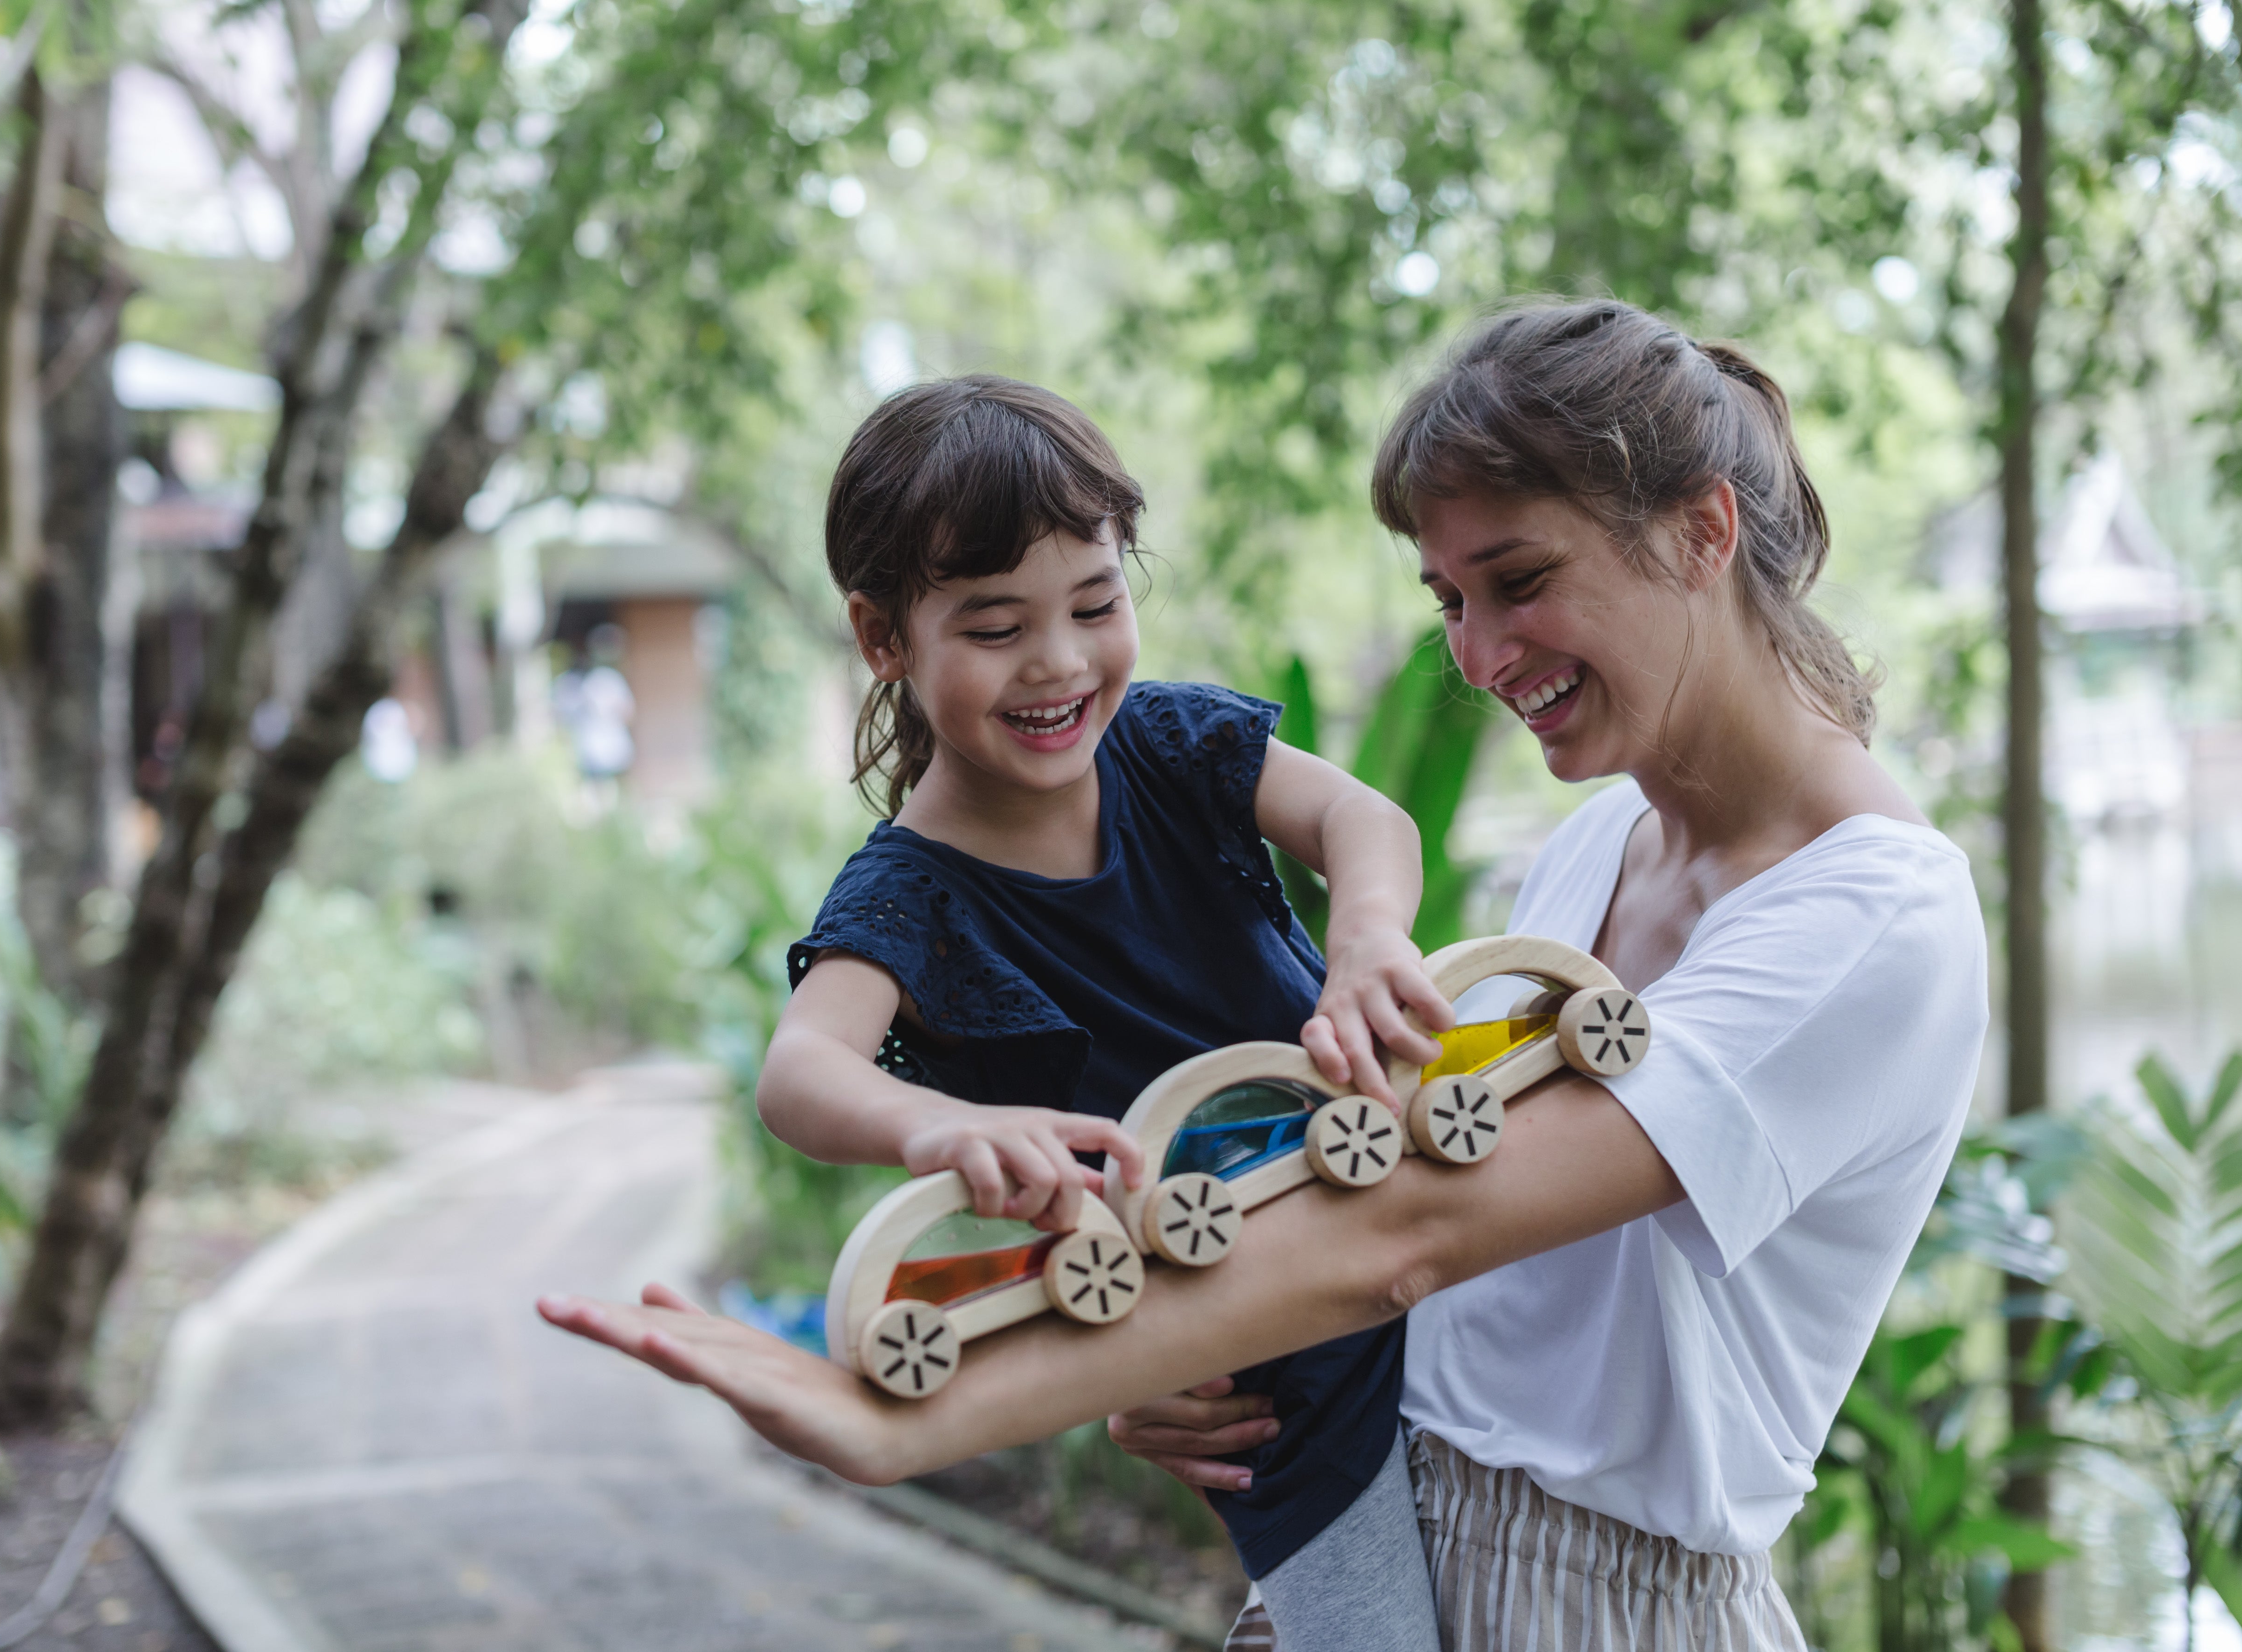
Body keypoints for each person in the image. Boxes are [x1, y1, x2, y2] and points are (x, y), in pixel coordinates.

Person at [541, 303, 1989, 1651]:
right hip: (1371, 1507)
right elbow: (1404, 1230)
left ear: (1702, 532)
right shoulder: (1600, 839)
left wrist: (930, 1416)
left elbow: (1406, 1238)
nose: (1475, 659)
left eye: (1520, 584)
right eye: (1447, 601)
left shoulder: (1867, 915)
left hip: (1594, 1598)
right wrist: (1169, 1344)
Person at [759, 375, 1457, 1652]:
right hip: (1271, 1381)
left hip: (1430, 1229)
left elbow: (1366, 819)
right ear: (882, 639)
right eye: (992, 626)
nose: (1060, 662)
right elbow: (802, 1072)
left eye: (1095, 603)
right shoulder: (906, 900)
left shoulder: (1174, 746)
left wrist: (1364, 940)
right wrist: (928, 1129)